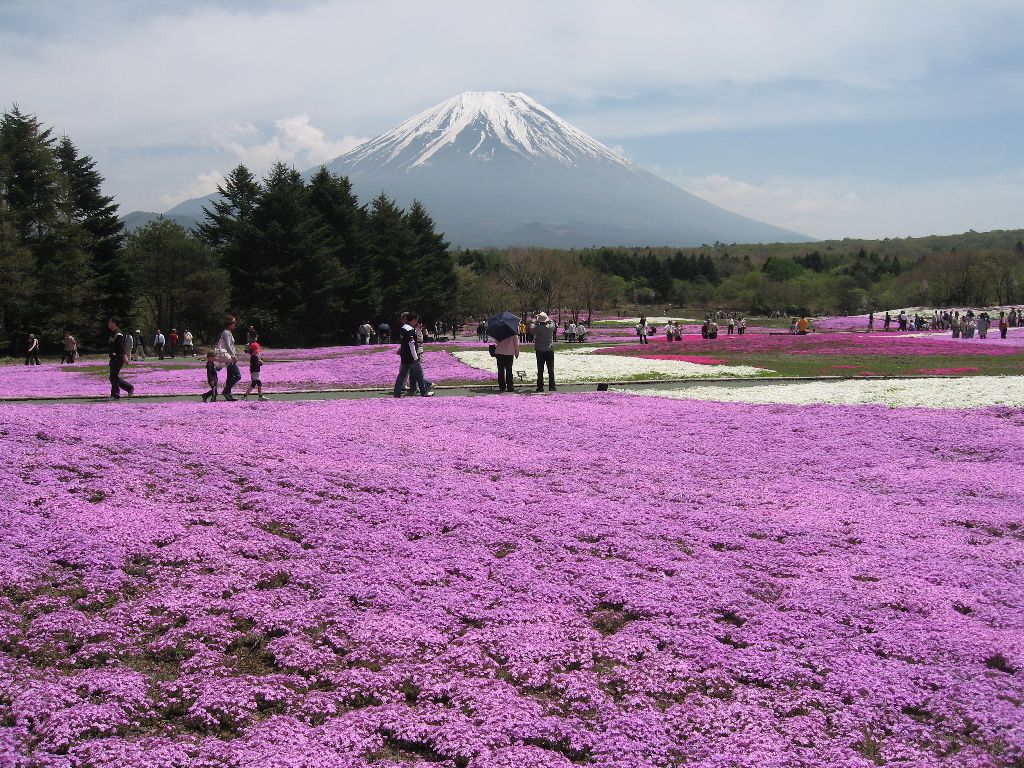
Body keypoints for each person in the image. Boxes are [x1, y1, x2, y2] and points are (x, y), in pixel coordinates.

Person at [393, 312, 434, 397]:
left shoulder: (403, 328)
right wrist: (415, 357)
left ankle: (396, 393)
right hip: (411, 357)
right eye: (416, 321)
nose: (417, 323)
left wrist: (417, 331)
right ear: (414, 320)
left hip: (404, 356)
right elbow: (411, 344)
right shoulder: (409, 329)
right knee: (419, 374)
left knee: (401, 375)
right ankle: (424, 392)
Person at [106, 317, 134, 399]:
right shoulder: (113, 333)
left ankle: (115, 394)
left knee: (113, 377)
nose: (108, 323)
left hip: (119, 358)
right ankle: (129, 388)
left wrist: (125, 356)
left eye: (109, 322)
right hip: (114, 358)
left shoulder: (119, 334)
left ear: (114, 323)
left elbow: (122, 347)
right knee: (113, 377)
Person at [217, 316, 241, 401]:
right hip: (229, 358)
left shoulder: (228, 332)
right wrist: (233, 356)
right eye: (234, 323)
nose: (235, 325)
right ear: (230, 324)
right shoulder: (226, 333)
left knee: (230, 376)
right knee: (238, 376)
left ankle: (228, 394)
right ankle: (226, 391)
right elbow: (227, 345)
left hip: (230, 357)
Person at [533, 311, 557, 392]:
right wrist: (548, 320)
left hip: (539, 350)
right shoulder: (550, 327)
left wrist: (536, 321)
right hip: (549, 350)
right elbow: (553, 323)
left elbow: (531, 326)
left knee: (540, 369)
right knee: (550, 369)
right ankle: (552, 386)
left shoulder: (536, 328)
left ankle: (540, 387)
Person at [494, 327, 520, 392]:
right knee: (509, 370)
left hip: (499, 352)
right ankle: (510, 387)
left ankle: (502, 387)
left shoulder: (499, 330)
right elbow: (516, 343)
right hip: (509, 352)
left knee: (500, 371)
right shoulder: (513, 331)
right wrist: (517, 353)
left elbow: (496, 342)